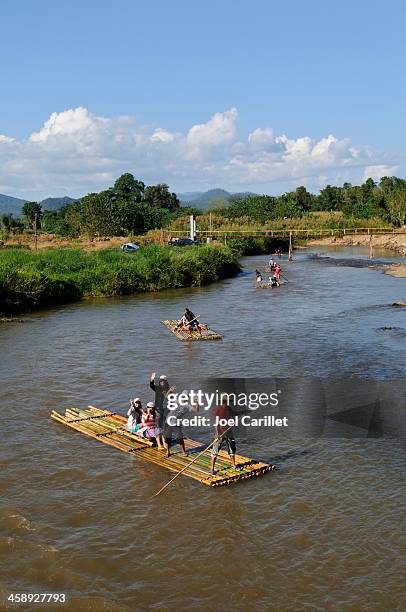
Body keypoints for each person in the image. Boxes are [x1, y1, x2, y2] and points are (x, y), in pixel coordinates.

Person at [163, 390, 199, 458]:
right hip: (168, 422)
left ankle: (183, 451)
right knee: (167, 438)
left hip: (176, 423)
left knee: (180, 438)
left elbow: (196, 410)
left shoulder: (187, 406)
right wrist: (170, 391)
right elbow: (166, 397)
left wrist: (196, 401)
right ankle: (168, 452)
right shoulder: (176, 401)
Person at [210, 403, 241, 475]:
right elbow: (216, 422)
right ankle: (212, 469)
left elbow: (234, 414)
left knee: (232, 448)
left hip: (229, 432)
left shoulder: (228, 408)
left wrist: (244, 412)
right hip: (220, 433)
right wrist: (218, 433)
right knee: (215, 450)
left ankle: (233, 466)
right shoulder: (217, 409)